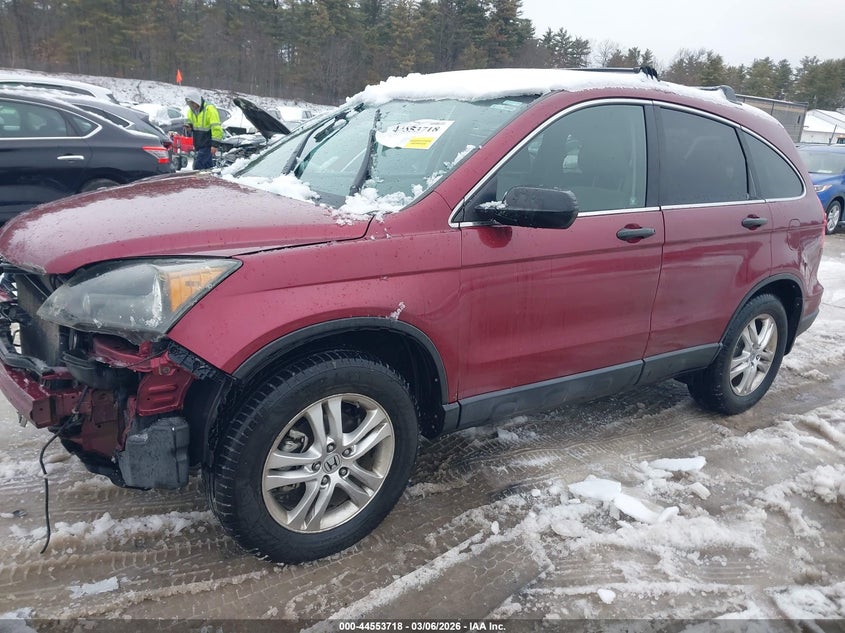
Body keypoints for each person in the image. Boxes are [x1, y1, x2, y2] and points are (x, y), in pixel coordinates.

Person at [184, 91, 223, 169]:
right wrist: (189, 126)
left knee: (198, 165)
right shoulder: (191, 111)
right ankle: (210, 179)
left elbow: (216, 128)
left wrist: (214, 145)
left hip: (208, 144)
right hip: (199, 143)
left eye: (192, 103)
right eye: (189, 104)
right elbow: (189, 122)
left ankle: (197, 180)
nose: (191, 106)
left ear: (196, 101)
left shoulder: (210, 109)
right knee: (207, 166)